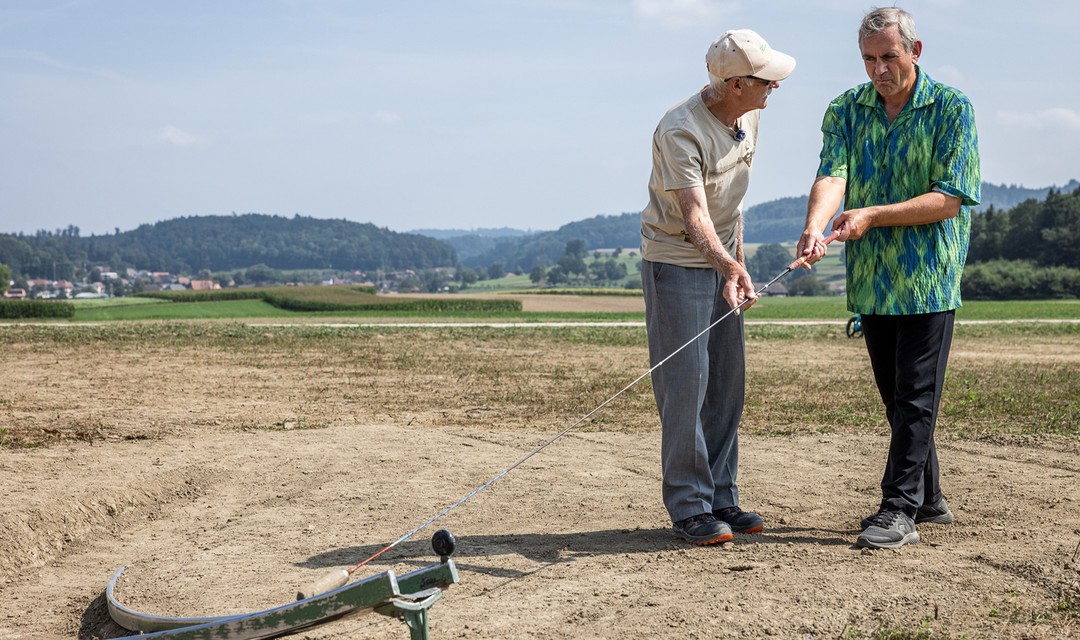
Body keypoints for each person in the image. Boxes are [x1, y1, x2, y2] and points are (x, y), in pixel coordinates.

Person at [796, 6, 980, 550]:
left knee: (917, 395)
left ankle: (897, 507)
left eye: (889, 57)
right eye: (869, 59)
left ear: (914, 52)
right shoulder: (845, 110)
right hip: (873, 279)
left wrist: (873, 214)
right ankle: (929, 498)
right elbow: (834, 173)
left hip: (929, 275)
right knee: (897, 397)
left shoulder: (951, 108)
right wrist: (814, 225)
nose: (878, 69)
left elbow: (949, 198)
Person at [641, 29, 795, 545]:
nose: (774, 86)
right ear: (735, 84)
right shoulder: (679, 130)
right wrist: (727, 267)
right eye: (766, 79)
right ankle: (689, 506)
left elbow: (733, 209)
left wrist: (739, 266)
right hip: (676, 262)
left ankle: (721, 495)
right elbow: (695, 216)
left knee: (727, 383)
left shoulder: (749, 115)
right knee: (687, 388)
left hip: (724, 260)